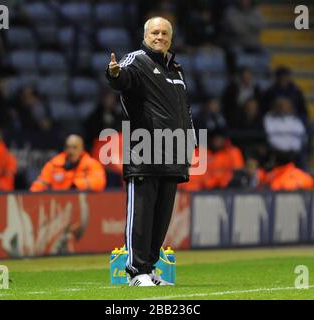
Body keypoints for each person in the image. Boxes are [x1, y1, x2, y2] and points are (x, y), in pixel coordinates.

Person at [106, 17, 196, 286]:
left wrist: (189, 140)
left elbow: (185, 110)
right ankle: (135, 271)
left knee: (161, 217)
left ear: (171, 36)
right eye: (155, 32)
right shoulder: (137, 60)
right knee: (142, 214)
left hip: (174, 154)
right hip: (145, 151)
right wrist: (113, 74)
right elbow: (121, 78)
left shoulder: (176, 69)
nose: (160, 36)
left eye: (165, 32)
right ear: (145, 34)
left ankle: (150, 269)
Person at [30, 134, 106, 192]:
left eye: (74, 147)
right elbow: (42, 182)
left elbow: (100, 182)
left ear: (82, 148)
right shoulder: (54, 164)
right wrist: (32, 194)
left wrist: (77, 185)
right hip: (58, 201)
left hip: (81, 201)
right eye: (68, 147)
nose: (71, 151)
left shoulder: (91, 164)